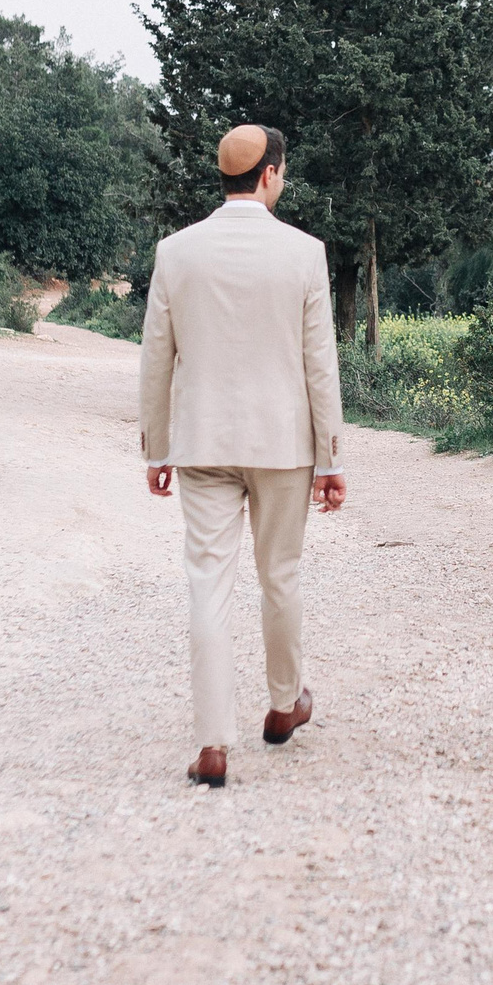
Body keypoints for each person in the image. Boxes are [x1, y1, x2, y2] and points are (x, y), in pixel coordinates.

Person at [138, 123, 346, 789]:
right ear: (268, 175)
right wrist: (331, 457)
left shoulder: (176, 251)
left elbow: (155, 358)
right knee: (279, 573)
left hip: (201, 443)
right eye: (282, 172)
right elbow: (320, 362)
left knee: (208, 583)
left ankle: (212, 746)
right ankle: (284, 705)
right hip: (283, 444)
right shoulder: (304, 253)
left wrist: (156, 445)